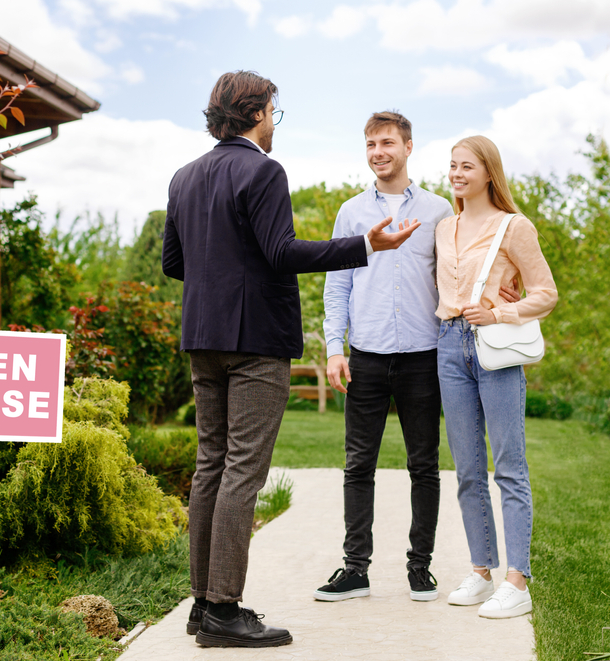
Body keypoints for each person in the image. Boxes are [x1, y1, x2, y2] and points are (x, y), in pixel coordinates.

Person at [162, 70, 421, 648]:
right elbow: (280, 253)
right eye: (273, 111)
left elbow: (175, 264)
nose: (275, 121)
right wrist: (365, 246)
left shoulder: (184, 177)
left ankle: (202, 606)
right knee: (241, 472)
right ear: (256, 113)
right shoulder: (263, 170)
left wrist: (225, 273)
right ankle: (225, 611)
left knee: (211, 466)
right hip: (256, 345)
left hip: (202, 340)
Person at [314, 111, 452, 603]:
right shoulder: (351, 212)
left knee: (425, 466)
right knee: (358, 466)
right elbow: (338, 283)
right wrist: (334, 348)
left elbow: (453, 276)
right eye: (371, 143)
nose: (378, 152)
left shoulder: (439, 211)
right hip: (366, 357)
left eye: (387, 142)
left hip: (423, 356)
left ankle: (421, 568)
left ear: (409, 146)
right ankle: (355, 569)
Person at [434, 135, 557, 619]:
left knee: (508, 467)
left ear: (489, 173)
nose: (457, 174)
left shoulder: (515, 226)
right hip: (449, 346)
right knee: (467, 470)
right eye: (452, 166)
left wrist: (504, 314)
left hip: (495, 350)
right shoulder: (446, 228)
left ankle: (517, 581)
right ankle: (482, 572)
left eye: (467, 166)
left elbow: (545, 293)